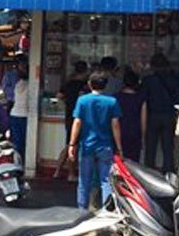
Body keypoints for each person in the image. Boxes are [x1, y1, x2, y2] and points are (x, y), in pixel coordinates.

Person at [68, 72, 123, 210]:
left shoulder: (82, 100)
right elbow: (115, 125)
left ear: (89, 84)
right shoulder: (112, 101)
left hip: (87, 145)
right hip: (105, 146)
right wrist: (119, 147)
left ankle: (82, 211)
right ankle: (106, 210)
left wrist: (72, 144)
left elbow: (77, 123)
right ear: (105, 85)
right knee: (106, 181)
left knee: (84, 181)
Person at [140, 54, 179, 171]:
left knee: (150, 146)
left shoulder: (147, 80)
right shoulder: (173, 80)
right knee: (168, 146)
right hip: (168, 115)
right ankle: (168, 169)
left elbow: (143, 99)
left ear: (152, 66)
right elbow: (178, 99)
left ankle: (149, 170)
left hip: (152, 115)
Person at [54, 61, 89, 179]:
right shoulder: (84, 85)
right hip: (80, 118)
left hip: (69, 116)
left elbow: (58, 96)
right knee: (73, 146)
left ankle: (58, 171)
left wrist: (67, 102)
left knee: (70, 144)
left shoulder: (68, 83)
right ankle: (71, 173)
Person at [115, 69, 145, 162]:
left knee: (119, 160)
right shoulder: (140, 98)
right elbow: (143, 119)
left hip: (119, 130)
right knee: (134, 161)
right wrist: (143, 136)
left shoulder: (115, 97)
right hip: (135, 131)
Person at [9, 58, 29, 163]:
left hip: (14, 113)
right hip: (24, 115)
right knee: (24, 141)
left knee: (17, 142)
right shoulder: (32, 85)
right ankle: (22, 161)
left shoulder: (17, 84)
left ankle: (17, 161)